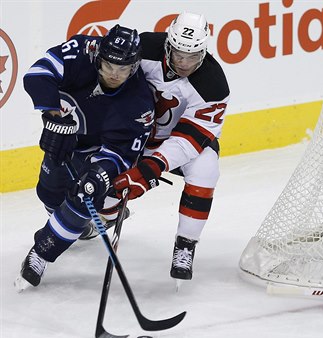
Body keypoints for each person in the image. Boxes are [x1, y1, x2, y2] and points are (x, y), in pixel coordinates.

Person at [15, 25, 155, 291]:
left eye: (122, 69)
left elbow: (122, 153)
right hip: (65, 139)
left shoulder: (139, 103)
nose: (114, 74)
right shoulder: (81, 50)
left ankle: (41, 252)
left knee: (87, 193)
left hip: (101, 149)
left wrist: (100, 173)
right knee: (49, 194)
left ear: (134, 67)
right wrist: (56, 117)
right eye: (108, 65)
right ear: (98, 57)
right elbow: (37, 74)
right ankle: (79, 225)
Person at [112, 11, 230, 284]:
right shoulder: (142, 49)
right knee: (107, 195)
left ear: (204, 52)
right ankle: (98, 221)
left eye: (193, 57)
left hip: (175, 143)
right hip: (132, 136)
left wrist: (152, 166)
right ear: (168, 44)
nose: (185, 63)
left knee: (206, 169)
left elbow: (190, 138)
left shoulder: (213, 85)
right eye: (179, 55)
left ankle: (186, 245)